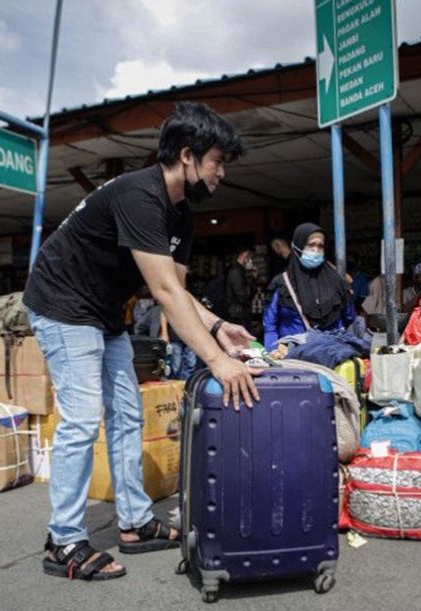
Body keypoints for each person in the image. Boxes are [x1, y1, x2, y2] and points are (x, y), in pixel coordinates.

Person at [22, 101, 260, 582]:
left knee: (129, 414)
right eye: (218, 162)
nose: (222, 174)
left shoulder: (181, 216)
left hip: (104, 314)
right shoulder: (139, 195)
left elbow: (177, 287)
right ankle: (63, 540)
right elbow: (163, 293)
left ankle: (133, 523)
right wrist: (217, 361)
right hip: (62, 304)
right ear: (188, 155)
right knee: (84, 417)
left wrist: (217, 327)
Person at [262, 223, 355, 350]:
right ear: (298, 246)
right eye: (310, 245)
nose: (315, 250)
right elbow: (270, 325)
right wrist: (273, 355)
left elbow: (348, 316)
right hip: (294, 359)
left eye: (320, 246)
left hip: (333, 355)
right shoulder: (282, 283)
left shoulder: (336, 281)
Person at [225, 248, 254, 327]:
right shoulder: (236, 272)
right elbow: (242, 296)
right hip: (238, 315)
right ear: (245, 257)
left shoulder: (241, 271)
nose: (251, 261)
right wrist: (252, 280)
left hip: (239, 313)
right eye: (250, 258)